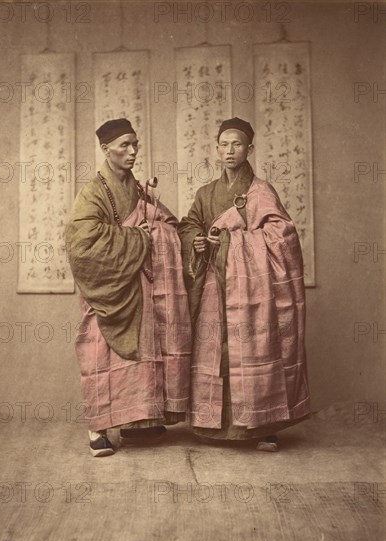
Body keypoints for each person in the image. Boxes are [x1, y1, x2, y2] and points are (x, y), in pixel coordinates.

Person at [177, 117, 310, 451]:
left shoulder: (261, 192)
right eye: (223, 144)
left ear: (250, 149)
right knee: (215, 352)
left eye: (237, 144)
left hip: (251, 289)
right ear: (216, 148)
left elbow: (282, 235)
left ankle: (262, 425)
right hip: (213, 286)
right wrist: (198, 242)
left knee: (253, 349)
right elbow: (189, 225)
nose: (229, 151)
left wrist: (232, 244)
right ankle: (212, 425)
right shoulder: (206, 193)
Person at [66, 118, 191, 456]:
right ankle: (98, 431)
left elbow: (164, 224)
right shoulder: (92, 193)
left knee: (142, 357)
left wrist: (156, 223)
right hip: (109, 290)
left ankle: (139, 424)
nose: (133, 151)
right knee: (100, 354)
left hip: (142, 287)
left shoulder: (137, 189)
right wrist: (137, 237)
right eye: (124, 145)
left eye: (135, 143)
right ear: (106, 150)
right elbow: (82, 244)